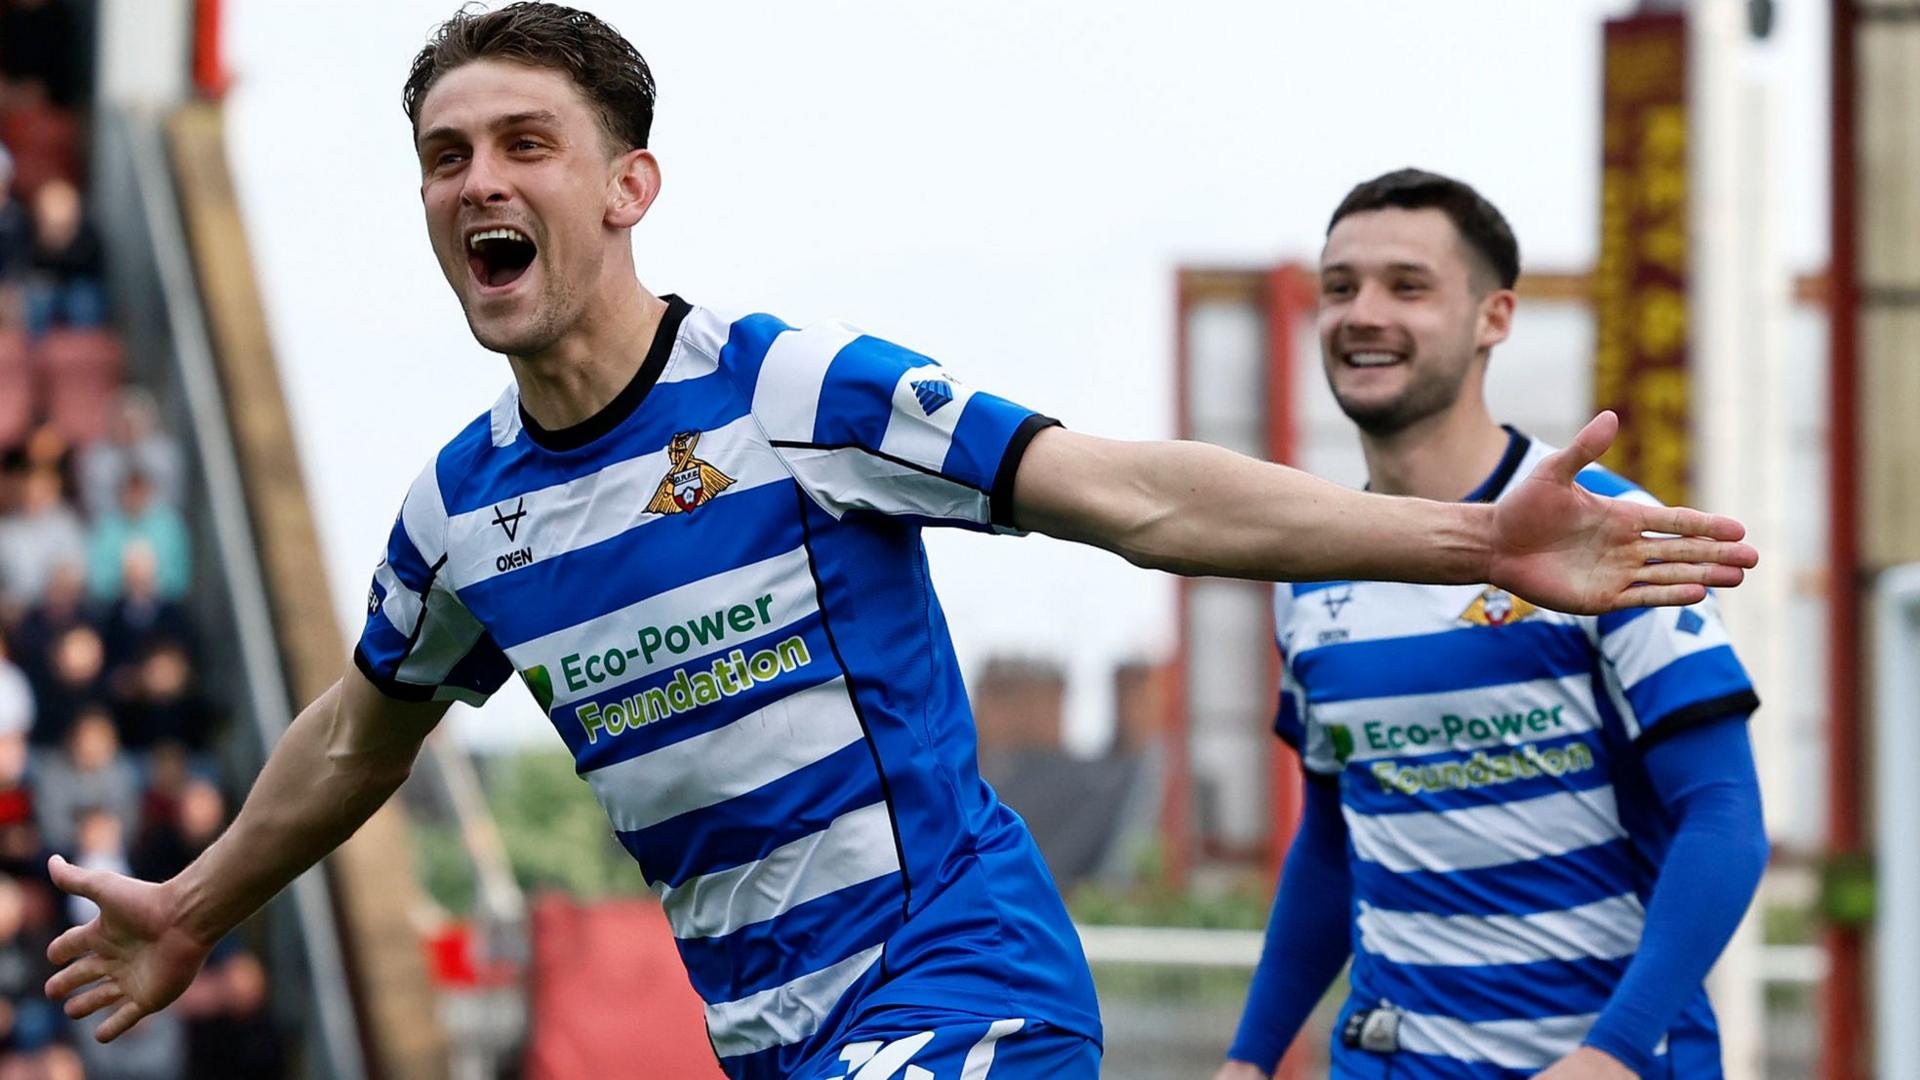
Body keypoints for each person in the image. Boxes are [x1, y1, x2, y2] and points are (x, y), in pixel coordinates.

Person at [41, 9, 1756, 1080]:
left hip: (960, 983)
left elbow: (1132, 495)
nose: (478, 180)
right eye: (443, 156)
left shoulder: (799, 394)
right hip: (774, 1035)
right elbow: (361, 725)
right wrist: (197, 904)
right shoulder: (462, 515)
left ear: (631, 185)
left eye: (523, 143)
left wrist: (1460, 537)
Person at [1214, 169, 1768, 1080]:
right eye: (1340, 286)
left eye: (1409, 285)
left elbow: (1725, 816)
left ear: (1494, 317)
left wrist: (1613, 1055)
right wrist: (1250, 1057)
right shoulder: (1312, 572)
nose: (1363, 313)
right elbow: (1331, 839)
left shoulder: (1607, 535)